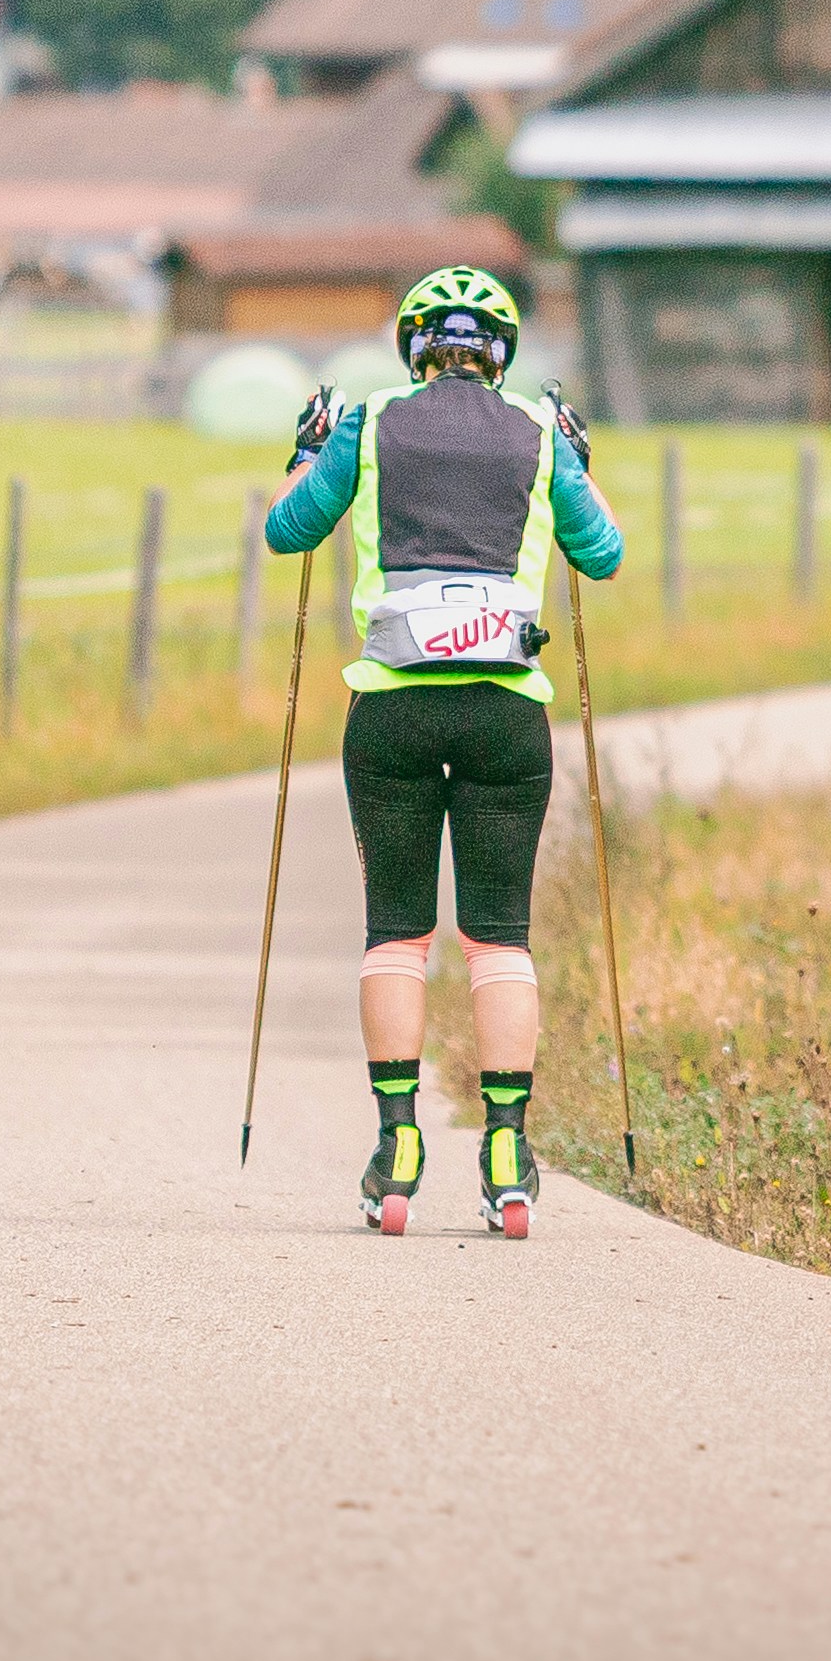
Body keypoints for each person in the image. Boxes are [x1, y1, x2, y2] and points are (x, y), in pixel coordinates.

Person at [262, 264, 622, 1236]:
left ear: (413, 349)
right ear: (500, 354)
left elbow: (288, 530)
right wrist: (578, 459)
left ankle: (398, 1148)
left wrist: (307, 452)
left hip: (394, 708)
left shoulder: (366, 424)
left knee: (397, 934)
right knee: (499, 938)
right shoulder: (541, 434)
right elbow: (604, 554)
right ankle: (506, 1154)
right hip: (507, 710)